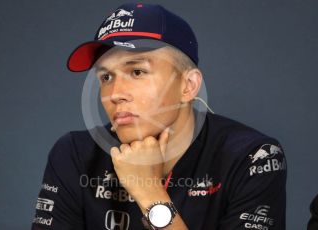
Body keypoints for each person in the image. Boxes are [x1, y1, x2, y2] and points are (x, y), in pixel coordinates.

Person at [31, 3, 286, 230]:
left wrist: (148, 192)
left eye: (138, 72)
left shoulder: (253, 156)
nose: (115, 94)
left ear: (188, 86)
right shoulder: (75, 154)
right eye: (106, 77)